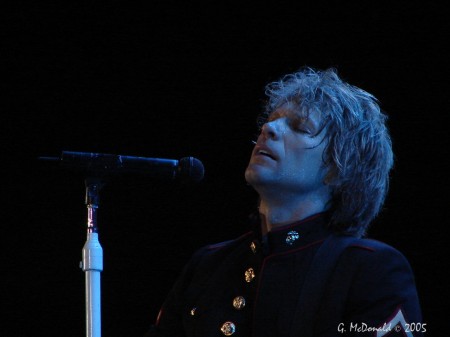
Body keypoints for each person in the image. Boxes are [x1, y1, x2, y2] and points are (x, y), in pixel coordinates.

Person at [143, 67, 424, 336]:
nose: (269, 128)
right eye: (271, 119)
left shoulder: (369, 268)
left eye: (300, 127)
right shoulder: (208, 265)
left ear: (339, 168)